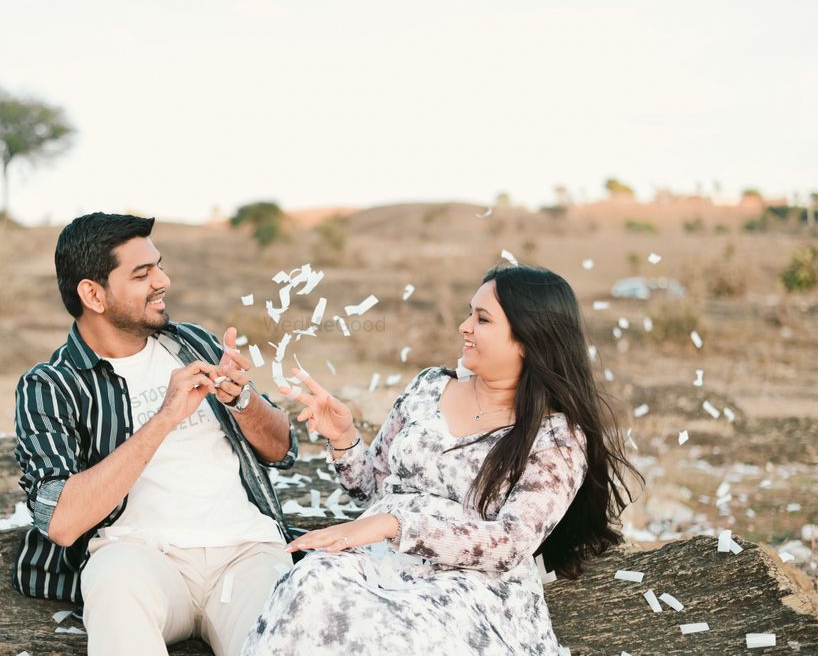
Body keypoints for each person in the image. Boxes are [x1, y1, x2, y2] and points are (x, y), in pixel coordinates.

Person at [243, 264, 641, 656]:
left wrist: (395, 526)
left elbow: (510, 543)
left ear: (528, 339)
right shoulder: (428, 386)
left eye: (482, 319)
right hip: (378, 561)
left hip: (467, 584)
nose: (464, 327)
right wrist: (344, 438)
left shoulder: (556, 436)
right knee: (311, 582)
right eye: (470, 313)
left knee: (390, 635)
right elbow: (370, 492)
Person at [12, 212, 299, 656]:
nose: (162, 281)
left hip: (247, 554)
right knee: (114, 584)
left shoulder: (195, 344)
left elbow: (282, 449)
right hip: (141, 557)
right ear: (93, 293)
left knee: (287, 633)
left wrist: (243, 401)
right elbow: (62, 522)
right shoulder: (51, 385)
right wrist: (164, 418)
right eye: (143, 274)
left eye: (158, 266)